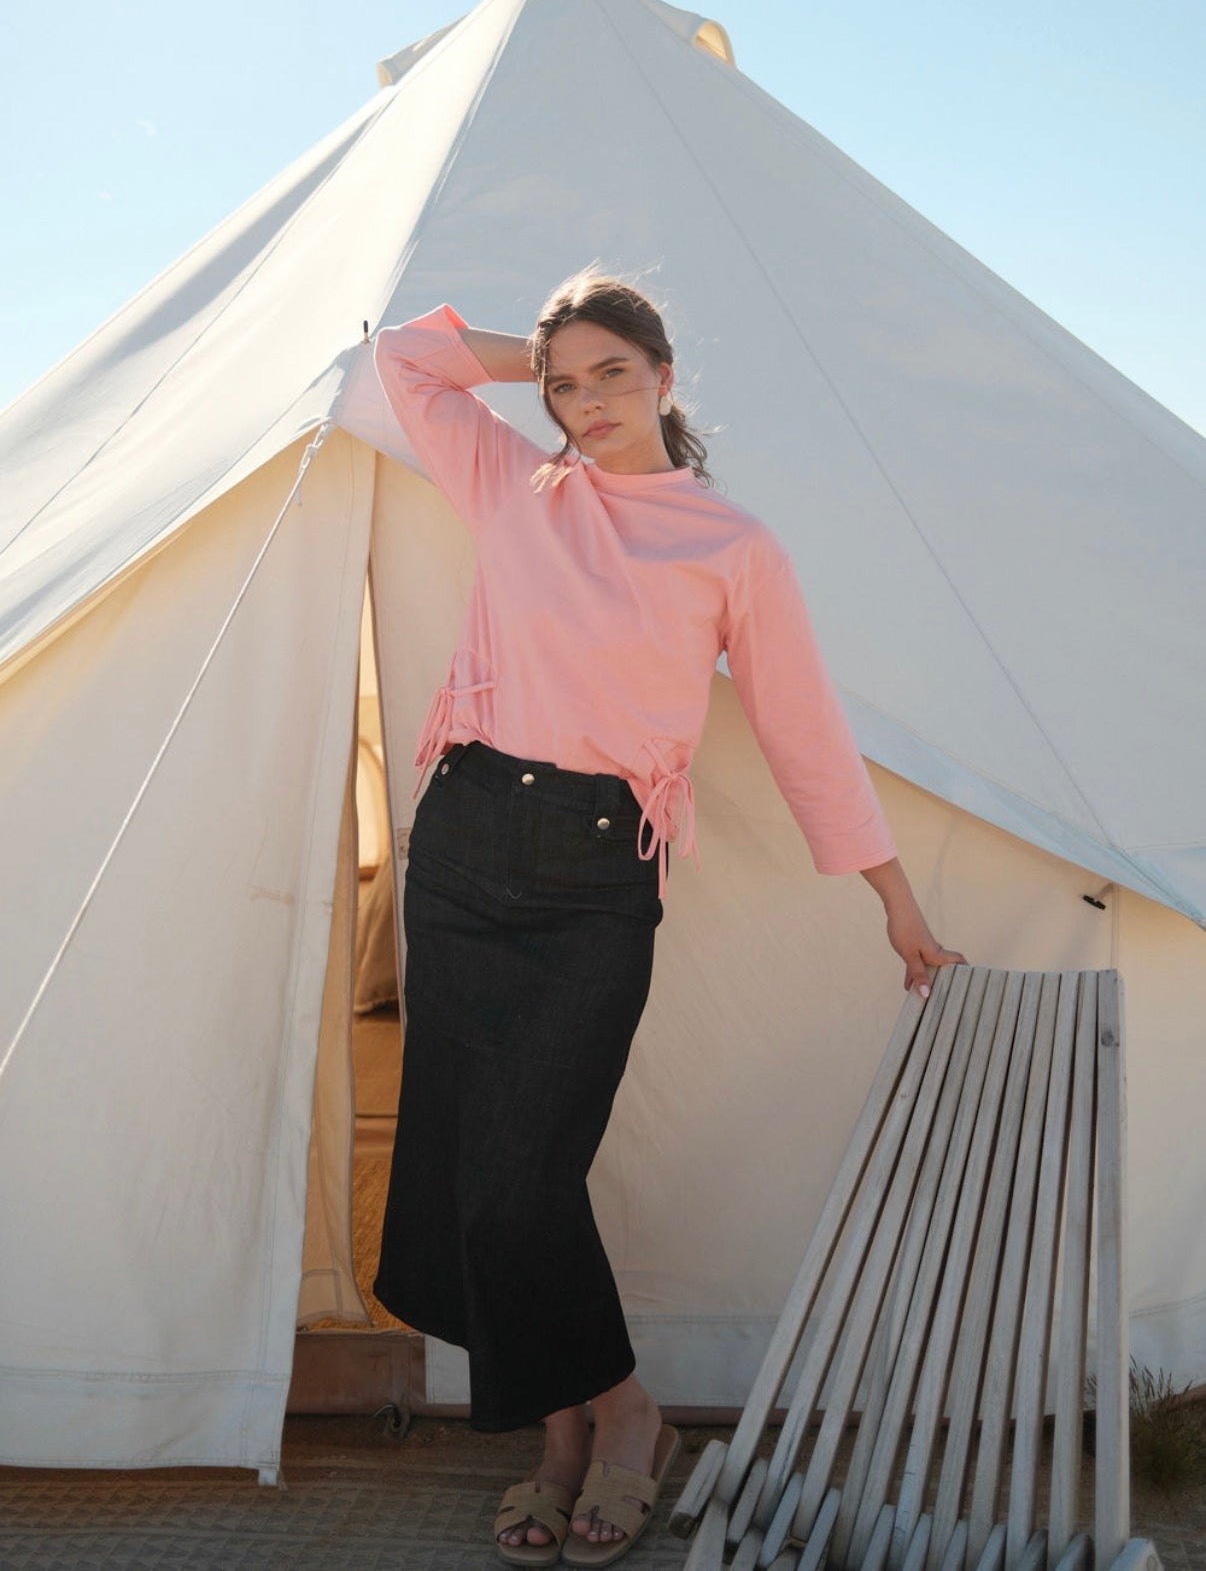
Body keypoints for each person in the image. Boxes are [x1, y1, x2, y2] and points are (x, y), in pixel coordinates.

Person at [368, 270, 964, 1568]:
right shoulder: (512, 486)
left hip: (594, 876)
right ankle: (567, 1428)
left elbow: (804, 729)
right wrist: (538, 353)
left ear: (665, 376)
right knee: (476, 1183)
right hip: (463, 846)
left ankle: (628, 1414)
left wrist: (892, 898)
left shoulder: (727, 544)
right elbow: (401, 358)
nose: (583, 404)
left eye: (611, 375)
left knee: (525, 1176)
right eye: (565, 383)